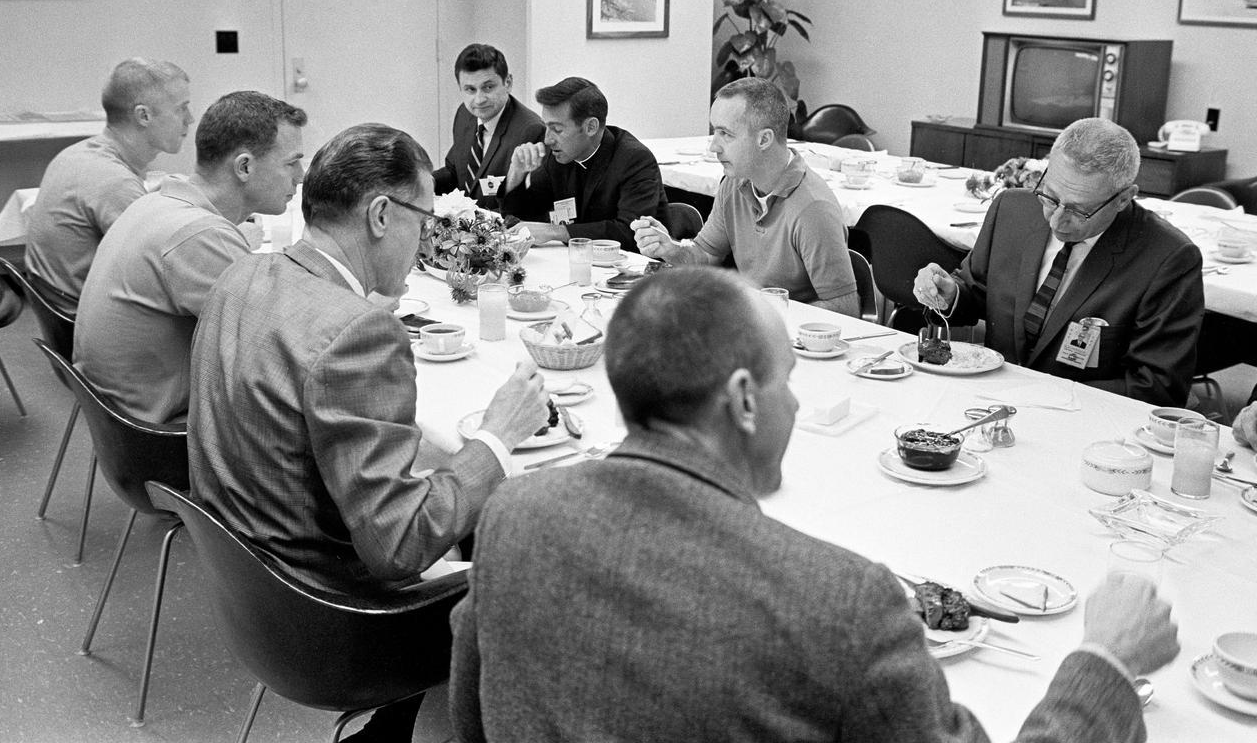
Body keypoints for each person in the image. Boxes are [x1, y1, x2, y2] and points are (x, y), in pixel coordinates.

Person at [449, 266, 1180, 743]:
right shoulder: (841, 604)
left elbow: (472, 710)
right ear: (741, 398)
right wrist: (1105, 663)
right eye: (787, 381)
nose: (795, 403)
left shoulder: (514, 514)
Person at [189, 123, 548, 743]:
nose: (425, 240)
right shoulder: (358, 332)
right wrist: (498, 438)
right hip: (340, 617)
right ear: (381, 215)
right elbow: (402, 544)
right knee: (537, 560)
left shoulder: (242, 275)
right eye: (424, 222)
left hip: (258, 590)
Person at [912, 118, 1204, 407]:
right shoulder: (1012, 209)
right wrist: (951, 293)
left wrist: (1046, 395)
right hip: (991, 404)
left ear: (1123, 198)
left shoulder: (1167, 258)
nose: (1056, 219)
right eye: (1050, 196)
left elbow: (1158, 388)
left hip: (1088, 426)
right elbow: (977, 291)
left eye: (1080, 210)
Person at [73, 91, 306, 424]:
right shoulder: (199, 235)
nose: (299, 176)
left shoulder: (158, 201)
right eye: (291, 162)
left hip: (117, 420)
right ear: (244, 167)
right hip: (162, 435)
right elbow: (284, 349)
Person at [632, 77, 858, 314]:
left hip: (791, 337)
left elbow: (846, 308)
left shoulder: (812, 208)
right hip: (753, 323)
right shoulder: (735, 182)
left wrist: (765, 314)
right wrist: (671, 250)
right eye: (714, 131)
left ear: (764, 139)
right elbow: (706, 255)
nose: (713, 146)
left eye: (725, 134)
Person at [25, 58, 193, 300]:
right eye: (181, 108)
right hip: (93, 322)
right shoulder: (114, 182)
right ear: (143, 115)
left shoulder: (76, 154)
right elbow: (171, 273)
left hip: (64, 308)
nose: (190, 118)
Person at [499, 76, 669, 251]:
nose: (547, 139)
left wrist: (558, 231)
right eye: (546, 127)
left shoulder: (634, 160)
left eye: (556, 129)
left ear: (591, 127)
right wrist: (516, 173)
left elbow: (631, 232)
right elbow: (522, 221)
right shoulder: (557, 156)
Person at [432, 43, 545, 209]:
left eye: (488, 87)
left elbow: (530, 207)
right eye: (470, 89)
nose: (479, 99)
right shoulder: (464, 114)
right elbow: (455, 172)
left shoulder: (531, 130)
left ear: (508, 83)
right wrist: (427, 182)